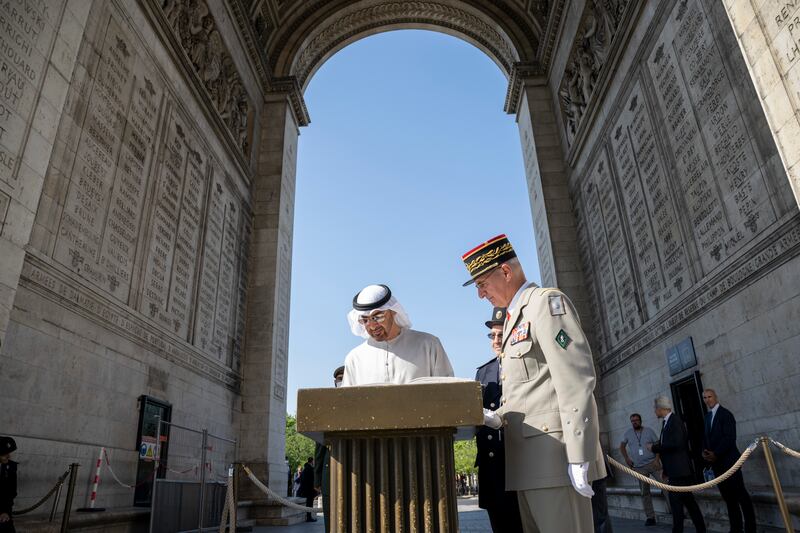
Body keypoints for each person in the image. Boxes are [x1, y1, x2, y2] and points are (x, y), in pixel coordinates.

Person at [461, 234, 606, 533]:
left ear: (505, 272)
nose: (480, 294)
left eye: (482, 283)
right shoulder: (517, 317)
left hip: (556, 461)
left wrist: (580, 455)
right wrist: (494, 417)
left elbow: (576, 379)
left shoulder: (545, 304)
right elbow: (532, 390)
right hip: (526, 465)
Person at [342, 284, 454, 386]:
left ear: (393, 310)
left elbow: (448, 394)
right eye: (365, 320)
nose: (372, 326)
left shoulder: (428, 345)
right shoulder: (355, 358)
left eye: (377, 317)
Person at [475, 306, 523, 532]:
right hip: (493, 466)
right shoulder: (483, 372)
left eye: (500, 335)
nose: (495, 340)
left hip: (520, 461)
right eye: (491, 335)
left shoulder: (525, 365)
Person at [648, 396, 706, 533]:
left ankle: (680, 530)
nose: (654, 412)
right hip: (674, 471)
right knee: (688, 503)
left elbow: (677, 443)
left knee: (677, 505)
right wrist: (666, 470)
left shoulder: (675, 421)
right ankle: (700, 529)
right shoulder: (666, 422)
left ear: (661, 408)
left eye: (655, 409)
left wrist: (654, 448)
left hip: (680, 472)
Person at [701, 389, 756, 533]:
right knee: (728, 498)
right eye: (705, 398)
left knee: (741, 495)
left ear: (716, 397)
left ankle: (751, 529)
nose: (707, 400)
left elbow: (729, 438)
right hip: (717, 464)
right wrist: (705, 452)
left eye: (710, 396)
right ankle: (735, 529)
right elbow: (706, 438)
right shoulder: (707, 417)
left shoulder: (726, 414)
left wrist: (716, 453)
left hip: (730, 462)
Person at [314, 365, 345, 533]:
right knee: (331, 521)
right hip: (330, 471)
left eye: (343, 379)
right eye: (338, 380)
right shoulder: (328, 405)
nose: (340, 382)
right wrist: (317, 479)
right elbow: (320, 446)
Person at [619, 413, 661, 526]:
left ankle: (676, 511)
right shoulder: (628, 433)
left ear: (640, 421)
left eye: (636, 420)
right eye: (632, 421)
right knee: (644, 492)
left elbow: (658, 446)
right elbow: (622, 446)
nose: (634, 422)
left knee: (666, 486)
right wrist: (627, 458)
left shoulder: (649, 431)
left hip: (653, 464)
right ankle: (650, 517)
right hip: (639, 467)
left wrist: (657, 459)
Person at [0, 437, 17, 533]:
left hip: (5, 509)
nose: (8, 456)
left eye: (9, 453)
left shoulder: (11, 467)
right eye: (4, 454)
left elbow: (12, 492)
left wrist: (5, 511)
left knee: (7, 527)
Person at [297, 456, 316, 522]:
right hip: (309, 490)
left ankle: (309, 516)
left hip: (306, 489)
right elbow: (311, 480)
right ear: (312, 461)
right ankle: (309, 517)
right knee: (309, 504)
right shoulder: (310, 469)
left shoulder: (306, 468)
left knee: (309, 503)